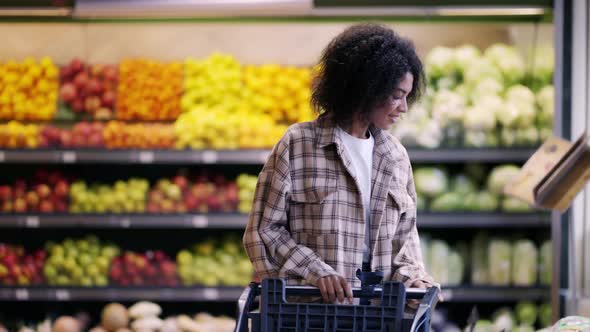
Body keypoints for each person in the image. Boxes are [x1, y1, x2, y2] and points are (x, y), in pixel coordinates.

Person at [243, 23, 438, 304]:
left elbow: (404, 245)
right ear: (367, 86)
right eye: (397, 95)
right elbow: (264, 231)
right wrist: (316, 271)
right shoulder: (298, 144)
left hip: (375, 318)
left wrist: (416, 279)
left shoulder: (395, 157)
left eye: (407, 96)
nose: (404, 107)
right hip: (308, 316)